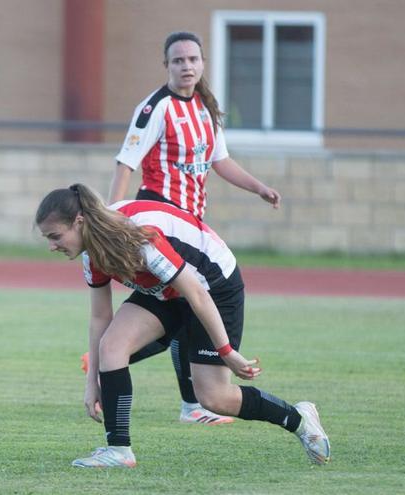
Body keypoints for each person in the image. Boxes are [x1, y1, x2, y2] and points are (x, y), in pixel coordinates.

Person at [36, 184, 329, 468]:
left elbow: (197, 293)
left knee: (214, 398)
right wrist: (91, 384)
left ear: (79, 221)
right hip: (169, 290)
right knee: (112, 346)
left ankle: (299, 419)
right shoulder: (92, 253)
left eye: (55, 236)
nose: (52, 246)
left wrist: (225, 350)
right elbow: (100, 316)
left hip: (213, 286)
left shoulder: (139, 238)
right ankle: (118, 452)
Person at [91, 31, 283, 425]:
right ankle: (188, 401)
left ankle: (125, 358)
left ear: (203, 63)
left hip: (190, 227)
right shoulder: (154, 108)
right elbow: (126, 163)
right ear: (167, 65)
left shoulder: (206, 108)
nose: (187, 66)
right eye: (178, 60)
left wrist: (258, 187)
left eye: (193, 59)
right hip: (157, 219)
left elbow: (221, 161)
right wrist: (114, 218)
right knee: (182, 305)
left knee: (185, 309)